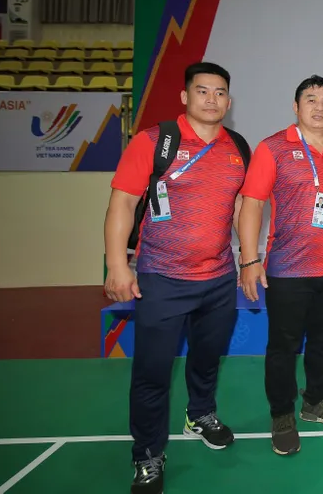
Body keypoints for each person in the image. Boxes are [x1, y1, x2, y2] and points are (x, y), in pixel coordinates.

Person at [103, 62, 249, 494]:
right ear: (185, 96)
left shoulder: (238, 147)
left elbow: (241, 209)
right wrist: (117, 265)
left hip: (219, 279)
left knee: (207, 358)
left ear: (229, 101)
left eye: (219, 92)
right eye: (202, 91)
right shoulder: (155, 141)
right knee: (152, 372)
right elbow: (122, 203)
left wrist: (250, 259)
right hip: (161, 278)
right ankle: (148, 454)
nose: (211, 99)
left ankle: (199, 414)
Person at [237, 75, 323, 455]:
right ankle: (281, 414)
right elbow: (252, 204)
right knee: (283, 347)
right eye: (311, 99)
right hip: (288, 270)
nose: (319, 107)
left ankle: (316, 401)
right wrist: (249, 258)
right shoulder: (273, 148)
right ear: (296, 107)